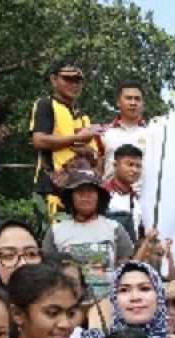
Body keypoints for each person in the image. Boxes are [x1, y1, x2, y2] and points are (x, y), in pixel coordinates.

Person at [41, 169, 135, 305]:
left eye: (90, 191)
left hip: (109, 306)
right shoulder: (55, 231)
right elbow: (47, 273)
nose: (85, 196)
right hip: (70, 306)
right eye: (79, 192)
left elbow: (126, 270)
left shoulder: (115, 228)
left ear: (99, 196)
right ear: (70, 197)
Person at [30, 61, 99, 217]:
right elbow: (39, 140)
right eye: (68, 79)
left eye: (78, 80)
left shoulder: (82, 115)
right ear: (54, 80)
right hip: (51, 188)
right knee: (52, 237)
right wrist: (76, 139)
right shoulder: (46, 105)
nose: (74, 84)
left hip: (79, 189)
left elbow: (95, 157)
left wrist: (87, 151)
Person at [102, 82, 147, 189]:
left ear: (143, 104)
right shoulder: (105, 134)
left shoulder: (152, 133)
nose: (133, 102)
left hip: (143, 199)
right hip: (111, 199)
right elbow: (97, 170)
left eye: (137, 99)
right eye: (128, 98)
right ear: (118, 102)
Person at [103, 143, 145, 243]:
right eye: (130, 164)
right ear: (115, 165)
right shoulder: (102, 194)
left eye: (138, 166)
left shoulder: (136, 199)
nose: (134, 170)